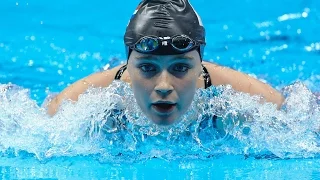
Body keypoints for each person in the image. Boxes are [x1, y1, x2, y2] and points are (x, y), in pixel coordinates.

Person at [47, 0, 284, 127]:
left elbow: (289, 111)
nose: (163, 85)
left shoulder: (234, 94)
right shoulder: (94, 98)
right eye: (147, 68)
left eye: (180, 68)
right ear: (128, 65)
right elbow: (49, 116)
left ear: (199, 66)